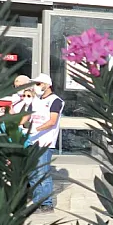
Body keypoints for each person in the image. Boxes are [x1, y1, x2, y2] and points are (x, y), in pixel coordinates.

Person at [26, 74, 64, 212]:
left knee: (43, 172)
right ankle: (37, 202)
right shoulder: (35, 100)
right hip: (32, 141)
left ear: (47, 85)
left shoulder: (55, 101)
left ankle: (47, 203)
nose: (36, 86)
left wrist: (36, 129)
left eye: (38, 83)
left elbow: (52, 121)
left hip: (45, 142)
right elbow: (27, 116)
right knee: (32, 173)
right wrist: (20, 126)